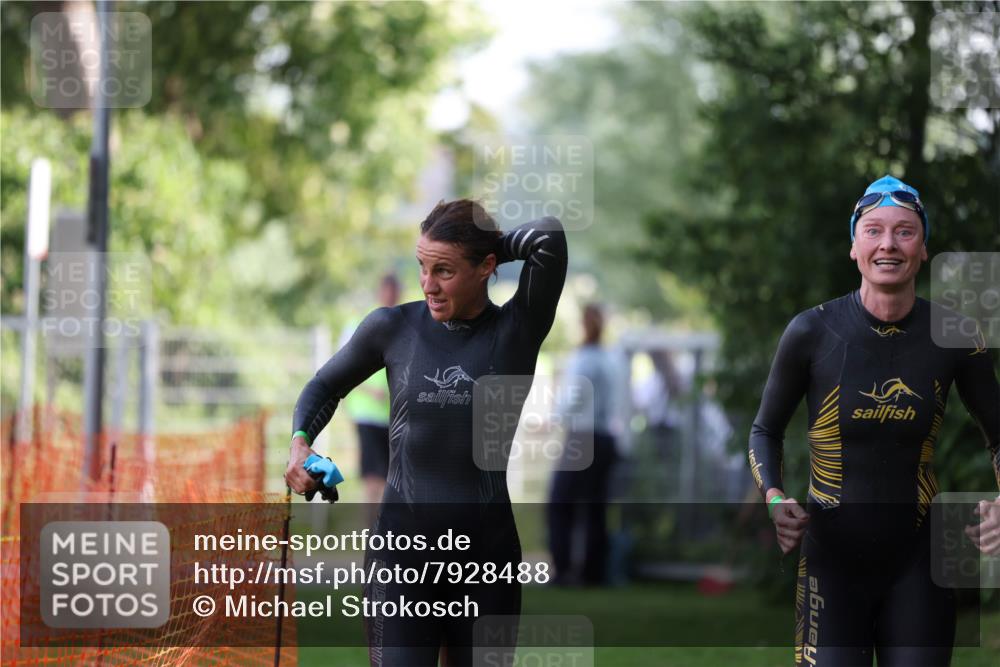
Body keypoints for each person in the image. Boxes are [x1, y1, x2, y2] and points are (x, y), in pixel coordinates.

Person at [285, 200, 567, 667]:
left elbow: (548, 238)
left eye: (445, 270)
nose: (428, 285)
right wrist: (299, 444)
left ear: (486, 268)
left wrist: (483, 245)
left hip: (486, 561)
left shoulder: (517, 330)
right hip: (401, 556)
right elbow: (324, 385)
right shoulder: (392, 328)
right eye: (422, 266)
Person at [748, 175, 1000, 667]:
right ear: (854, 246)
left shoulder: (956, 336)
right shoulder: (811, 331)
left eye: (905, 231)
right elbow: (764, 432)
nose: (888, 243)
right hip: (831, 560)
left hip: (920, 562)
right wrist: (776, 498)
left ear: (923, 248)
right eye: (874, 230)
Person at [547, 303, 622, 586]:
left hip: (582, 436)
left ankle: (563, 570)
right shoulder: (611, 359)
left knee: (559, 503)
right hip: (606, 439)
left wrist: (552, 419)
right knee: (595, 508)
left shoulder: (584, 358)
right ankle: (594, 572)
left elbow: (575, 396)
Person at [339, 273, 400, 508]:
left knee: (388, 478)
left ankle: (383, 533)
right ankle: (371, 533)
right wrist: (368, 391)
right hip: (366, 413)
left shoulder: (402, 325)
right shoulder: (361, 325)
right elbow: (341, 370)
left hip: (392, 416)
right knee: (373, 478)